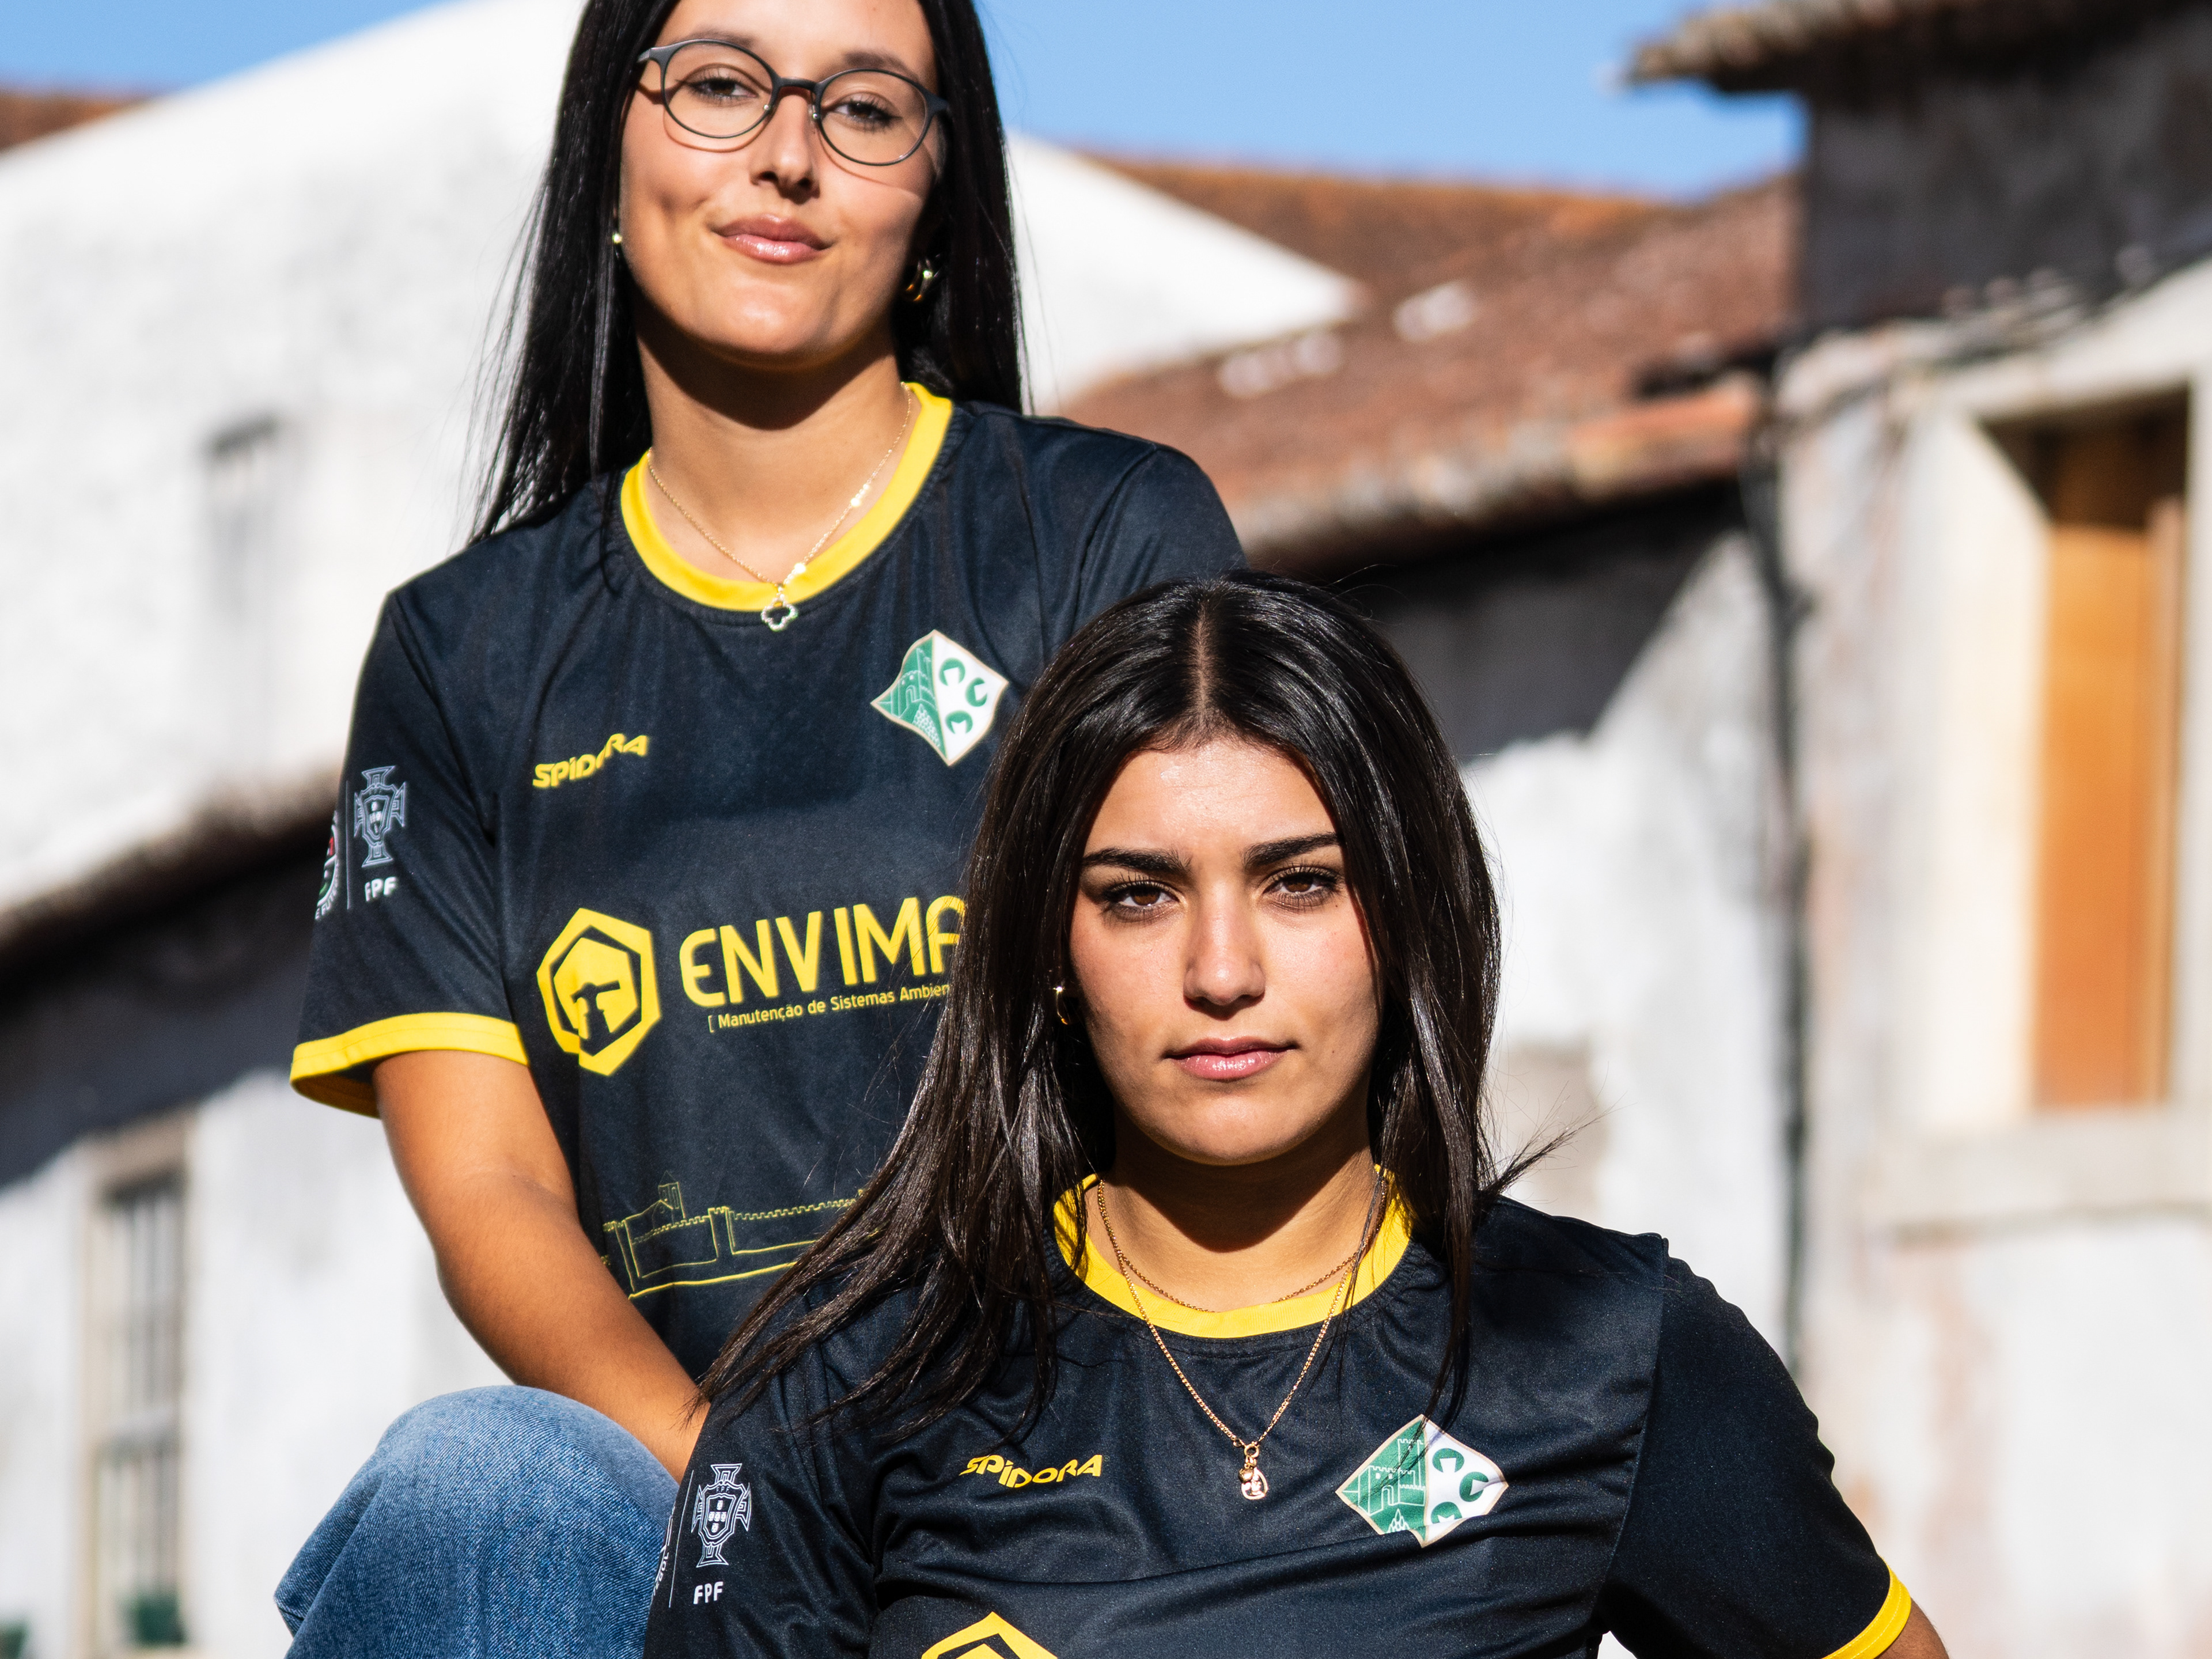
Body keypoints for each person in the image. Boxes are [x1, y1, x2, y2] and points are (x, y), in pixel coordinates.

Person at [276, 0, 1238, 1648]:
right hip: (684, 1511)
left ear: (937, 189)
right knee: (471, 1491)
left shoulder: (1106, 541)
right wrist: (745, 1500)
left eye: (865, 108)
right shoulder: (462, 655)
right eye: (719, 85)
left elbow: (1227, 1039)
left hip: (1079, 1487)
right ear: (609, 146)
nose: (788, 153)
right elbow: (492, 1187)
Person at [645, 572, 1950, 1659]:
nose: (1222, 972)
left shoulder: (1614, 1350)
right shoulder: (853, 1379)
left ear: (1407, 915)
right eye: (1139, 895)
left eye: (1302, 884)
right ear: (1051, 950)